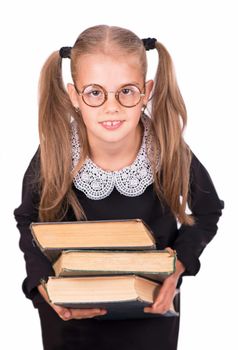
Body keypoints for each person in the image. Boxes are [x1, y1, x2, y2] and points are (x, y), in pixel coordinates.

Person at [14, 24, 224, 350]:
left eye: (126, 91)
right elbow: (27, 220)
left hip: (148, 312)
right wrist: (43, 285)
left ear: (146, 90)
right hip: (72, 318)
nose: (111, 107)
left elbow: (209, 211)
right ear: (74, 96)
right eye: (95, 92)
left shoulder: (166, 148)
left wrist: (176, 268)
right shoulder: (56, 150)